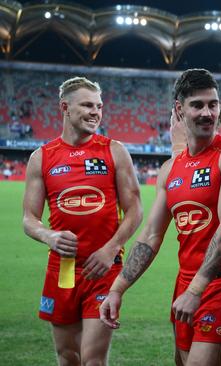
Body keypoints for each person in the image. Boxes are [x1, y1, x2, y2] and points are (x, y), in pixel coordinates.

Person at [99, 69, 221, 366]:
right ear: (180, 110)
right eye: (198, 105)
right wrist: (117, 289)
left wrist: (196, 290)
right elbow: (151, 235)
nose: (208, 112)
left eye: (213, 104)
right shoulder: (171, 169)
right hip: (184, 284)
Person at [22, 76, 143, 365]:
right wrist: (48, 236)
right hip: (62, 270)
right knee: (67, 355)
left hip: (103, 268)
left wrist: (111, 248)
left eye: (99, 106)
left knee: (92, 358)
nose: (96, 112)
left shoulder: (114, 150)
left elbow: (135, 209)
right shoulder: (42, 157)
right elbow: (29, 218)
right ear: (65, 107)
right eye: (87, 105)